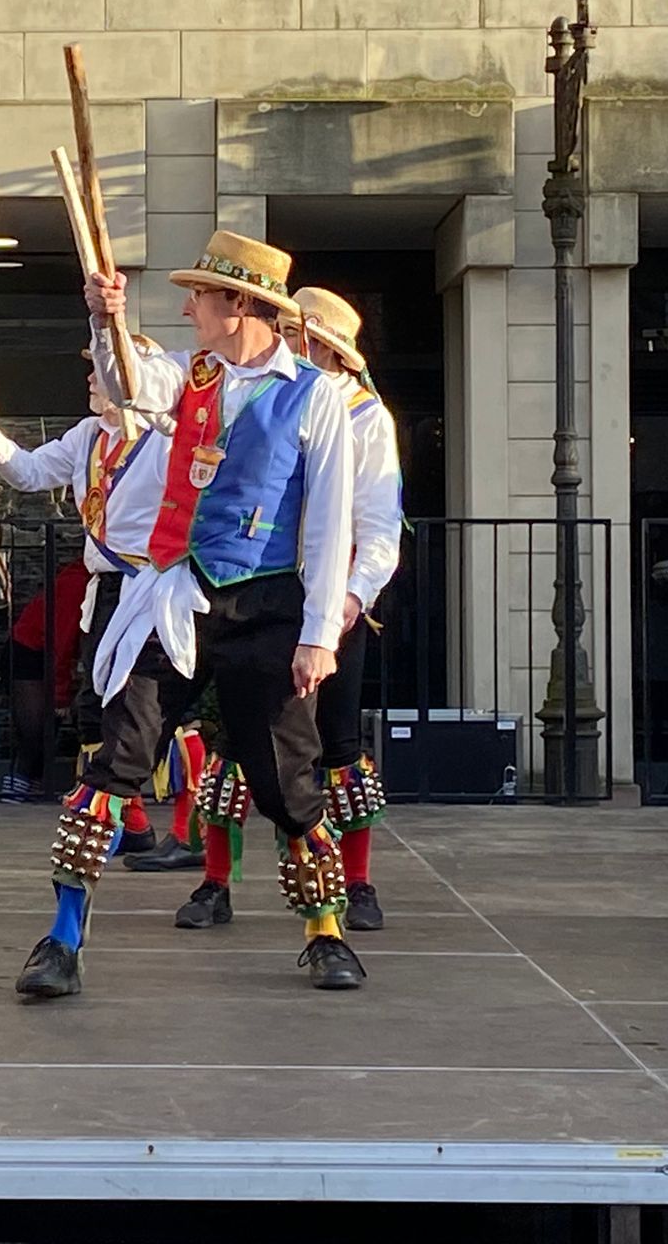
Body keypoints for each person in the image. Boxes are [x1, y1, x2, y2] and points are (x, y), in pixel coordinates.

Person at [15, 230, 361, 998]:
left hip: (268, 604)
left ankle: (326, 928)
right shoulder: (185, 374)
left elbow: (332, 521)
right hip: (175, 596)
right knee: (120, 758)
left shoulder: (318, 397)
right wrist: (107, 321)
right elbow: (130, 386)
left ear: (238, 304)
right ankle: (62, 941)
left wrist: (317, 635)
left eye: (199, 295)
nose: (186, 307)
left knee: (283, 780)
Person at [0, 345, 209, 865]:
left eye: (101, 370)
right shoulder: (88, 436)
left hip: (155, 589)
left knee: (154, 715)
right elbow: (28, 472)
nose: (91, 380)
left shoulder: (168, 438)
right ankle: (135, 826)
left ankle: (186, 833)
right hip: (104, 592)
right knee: (99, 710)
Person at [279, 286, 401, 930]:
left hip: (337, 601)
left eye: (294, 333)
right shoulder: (278, 401)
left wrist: (352, 599)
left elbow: (381, 524)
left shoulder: (364, 417)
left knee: (338, 742)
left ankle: (356, 884)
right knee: (244, 738)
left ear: (319, 344)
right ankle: (216, 879)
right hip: (271, 591)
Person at [3, 557, 89, 806]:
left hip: (36, 651)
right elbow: (59, 644)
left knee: (45, 731)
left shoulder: (82, 580)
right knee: (35, 732)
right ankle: (16, 795)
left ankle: (30, 792)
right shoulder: (77, 585)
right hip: (28, 653)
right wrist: (60, 694)